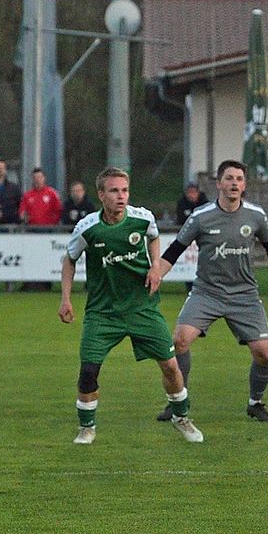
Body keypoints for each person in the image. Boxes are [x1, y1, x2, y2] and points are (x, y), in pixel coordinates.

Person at [58, 166, 203, 445]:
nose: (121, 196)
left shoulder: (142, 218)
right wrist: (65, 298)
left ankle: (181, 417)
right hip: (103, 313)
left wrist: (156, 268)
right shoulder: (88, 228)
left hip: (142, 308)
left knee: (171, 366)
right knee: (88, 371)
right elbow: (69, 260)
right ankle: (86, 428)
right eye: (114, 191)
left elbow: (155, 236)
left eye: (124, 190)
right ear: (101, 194)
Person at [149, 160, 268, 424]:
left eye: (239, 178)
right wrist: (156, 275)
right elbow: (174, 250)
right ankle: (177, 402)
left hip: (244, 295)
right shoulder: (200, 217)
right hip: (206, 293)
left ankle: (255, 403)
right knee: (179, 340)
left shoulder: (256, 215)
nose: (234, 183)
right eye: (229, 178)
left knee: (264, 353)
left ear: (244, 184)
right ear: (219, 183)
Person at [176, 182, 209, 291]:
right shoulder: (182, 203)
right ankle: (189, 285)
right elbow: (180, 219)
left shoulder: (205, 203)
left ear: (198, 193)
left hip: (202, 238)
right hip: (187, 238)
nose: (191, 195)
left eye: (193, 192)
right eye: (189, 192)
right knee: (187, 263)